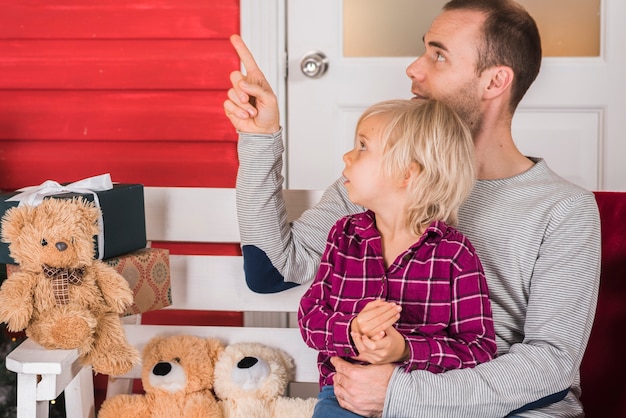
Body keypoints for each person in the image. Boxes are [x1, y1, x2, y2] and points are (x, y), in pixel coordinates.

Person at [223, 0, 601, 416]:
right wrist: (260, 139)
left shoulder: (564, 208)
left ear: (495, 81)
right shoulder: (379, 183)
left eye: (438, 55)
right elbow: (271, 271)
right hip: (366, 400)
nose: (413, 69)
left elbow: (552, 364)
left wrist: (404, 393)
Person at [298, 98, 497, 418]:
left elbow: (477, 350)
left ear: (406, 174)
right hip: (345, 398)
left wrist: (405, 349)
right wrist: (352, 330)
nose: (347, 156)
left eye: (363, 146)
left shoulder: (454, 254)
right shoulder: (343, 236)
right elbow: (310, 319)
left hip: (423, 402)